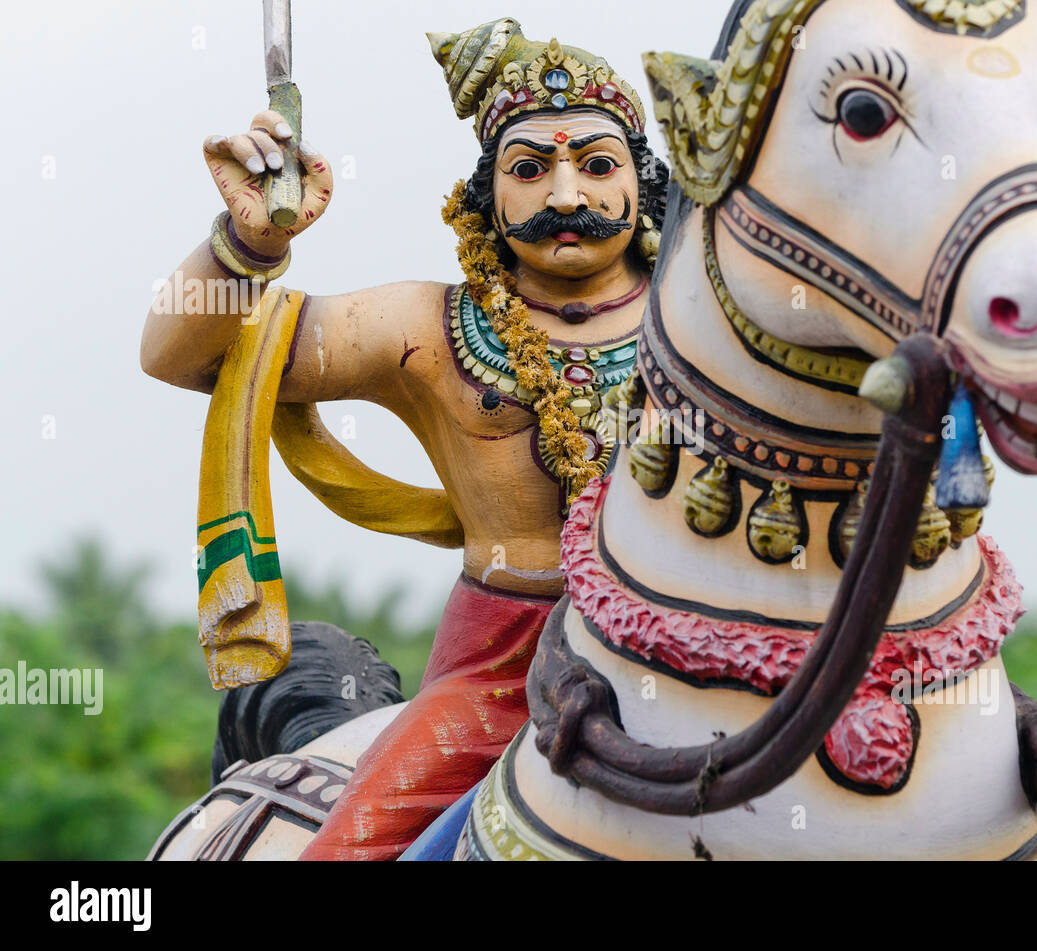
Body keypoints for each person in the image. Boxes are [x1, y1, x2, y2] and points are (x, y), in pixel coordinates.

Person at [140, 17, 668, 860]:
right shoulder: (430, 326)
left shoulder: (707, 317)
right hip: (498, 667)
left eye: (598, 165)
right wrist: (250, 239)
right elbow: (180, 355)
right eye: (530, 169)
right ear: (485, 192)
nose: (566, 195)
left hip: (701, 644)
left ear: (643, 180)